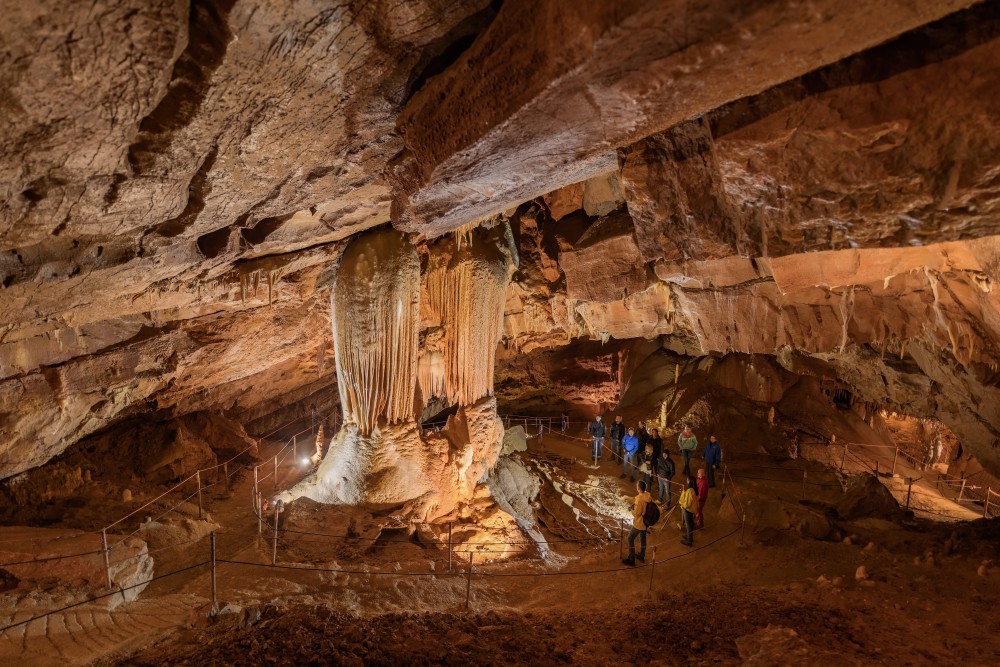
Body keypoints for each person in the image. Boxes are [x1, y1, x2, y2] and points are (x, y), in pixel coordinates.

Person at [622, 479, 653, 566]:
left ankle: (631, 559)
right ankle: (642, 555)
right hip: (646, 522)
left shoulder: (639, 499)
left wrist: (631, 509)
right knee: (643, 538)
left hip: (640, 523)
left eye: (637, 486)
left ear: (639, 488)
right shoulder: (647, 495)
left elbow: (637, 513)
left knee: (630, 538)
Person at [679, 477, 697, 546]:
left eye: (687, 480)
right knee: (689, 524)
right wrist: (684, 490)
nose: (686, 482)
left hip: (688, 510)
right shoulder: (691, 489)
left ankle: (689, 541)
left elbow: (687, 504)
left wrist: (682, 505)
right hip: (689, 510)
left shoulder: (690, 491)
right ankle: (689, 537)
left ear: (689, 482)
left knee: (689, 525)